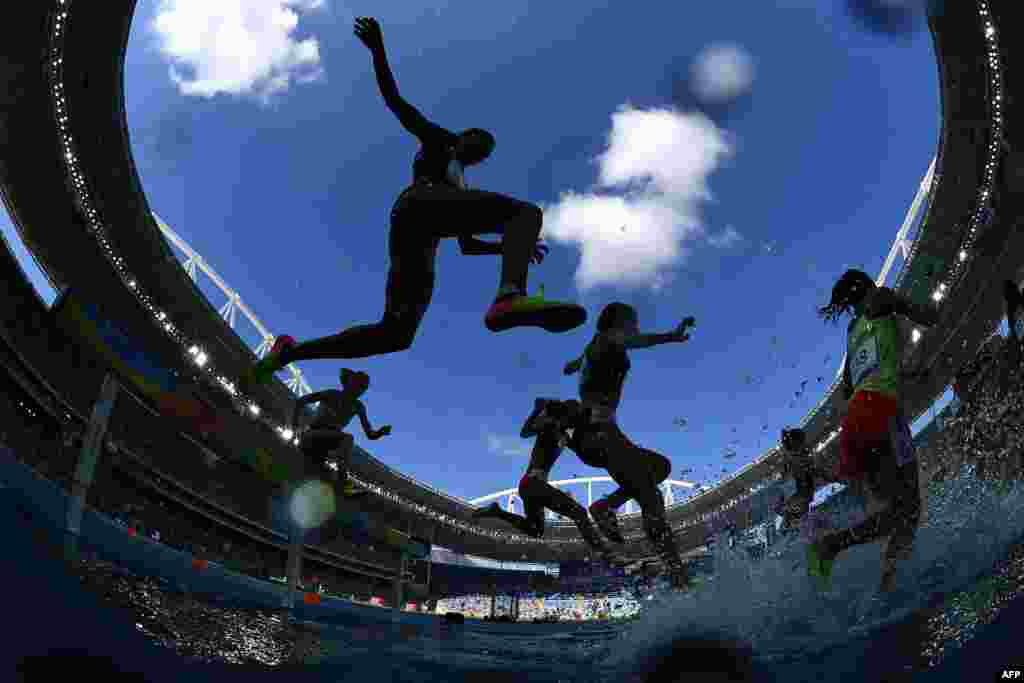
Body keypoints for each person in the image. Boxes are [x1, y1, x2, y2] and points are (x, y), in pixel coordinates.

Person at [242, 17, 586, 391]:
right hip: (417, 206)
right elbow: (396, 101)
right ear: (464, 136)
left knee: (396, 334)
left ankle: (289, 352)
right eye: (479, 143)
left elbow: (468, 246)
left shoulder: (461, 184)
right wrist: (378, 52)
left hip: (421, 245)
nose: (481, 152)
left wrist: (511, 246)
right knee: (525, 213)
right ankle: (509, 297)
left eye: (485, 153)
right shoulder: (440, 141)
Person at [808, 269, 939, 591]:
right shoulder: (880, 297)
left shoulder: (853, 330)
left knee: (898, 511)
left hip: (855, 421)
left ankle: (887, 582)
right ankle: (837, 549)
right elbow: (929, 317)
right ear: (867, 285)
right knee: (908, 512)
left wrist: (905, 375)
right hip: (881, 413)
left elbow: (851, 387)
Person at [562, 302, 695, 588]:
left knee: (659, 467)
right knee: (650, 496)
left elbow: (582, 357)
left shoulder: (593, 346)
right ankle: (678, 576)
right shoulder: (610, 340)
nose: (635, 327)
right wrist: (671, 336)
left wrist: (573, 365)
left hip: (599, 435)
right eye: (632, 322)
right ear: (617, 325)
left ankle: (605, 505)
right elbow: (634, 340)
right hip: (600, 434)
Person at [471, 398, 619, 562]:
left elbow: (585, 446)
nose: (575, 421)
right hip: (533, 483)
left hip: (531, 485)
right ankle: (605, 553)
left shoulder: (565, 436)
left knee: (535, 530)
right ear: (565, 415)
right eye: (573, 416)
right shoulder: (549, 426)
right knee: (579, 513)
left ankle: (497, 512)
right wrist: (537, 410)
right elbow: (525, 432)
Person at [291, 368, 392, 499]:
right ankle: (343, 484)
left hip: (327, 443)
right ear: (351, 383)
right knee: (348, 438)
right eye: (359, 386)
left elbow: (370, 435)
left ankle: (336, 483)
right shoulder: (331, 394)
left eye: (363, 389)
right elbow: (301, 401)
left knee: (316, 474)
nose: (361, 391)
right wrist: (295, 427)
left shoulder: (358, 406)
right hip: (313, 435)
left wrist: (381, 432)